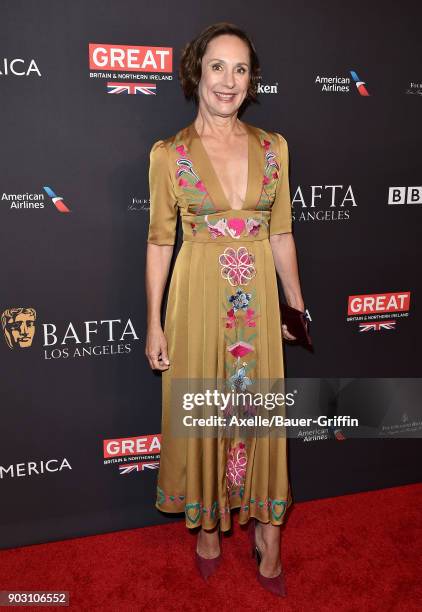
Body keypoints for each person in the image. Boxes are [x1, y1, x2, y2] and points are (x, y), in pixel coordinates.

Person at [145, 22, 306, 597]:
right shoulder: (170, 156)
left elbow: (282, 234)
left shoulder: (274, 147)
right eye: (217, 66)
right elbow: (162, 241)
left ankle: (268, 529)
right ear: (196, 72)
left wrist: (296, 305)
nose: (228, 81)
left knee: (259, 410)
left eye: (240, 69)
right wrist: (154, 321)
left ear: (251, 80)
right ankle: (207, 526)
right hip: (197, 300)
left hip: (259, 300)